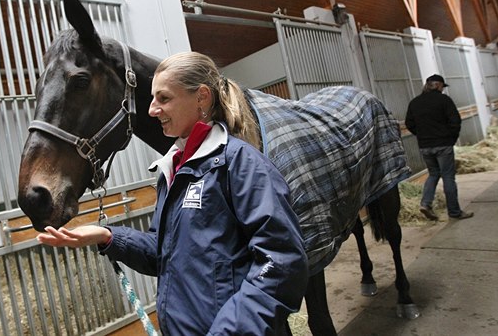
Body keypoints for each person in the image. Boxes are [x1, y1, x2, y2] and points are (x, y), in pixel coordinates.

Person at [37, 51, 309, 335]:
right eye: (153, 99)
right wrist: (109, 237)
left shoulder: (242, 165)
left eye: (164, 98)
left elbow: (280, 262)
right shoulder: (174, 169)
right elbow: (164, 251)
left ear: (201, 98)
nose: (152, 110)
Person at [405, 74, 474, 220]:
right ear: (438, 85)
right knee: (448, 176)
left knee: (433, 174)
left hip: (425, 146)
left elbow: (409, 123)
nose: (443, 89)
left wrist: (422, 135)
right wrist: (451, 139)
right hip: (443, 144)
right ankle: (454, 212)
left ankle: (425, 203)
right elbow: (455, 121)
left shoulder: (415, 102)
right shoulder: (444, 100)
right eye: (442, 86)